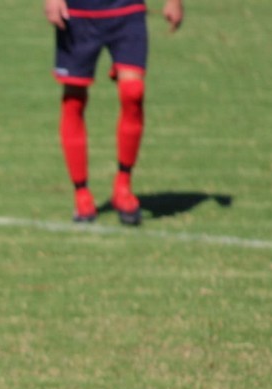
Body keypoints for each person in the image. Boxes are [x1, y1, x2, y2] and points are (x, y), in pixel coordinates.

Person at [44, 0, 184, 225]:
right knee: (73, 100)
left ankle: (123, 187)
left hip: (127, 10)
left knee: (133, 92)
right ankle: (81, 194)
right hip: (77, 13)